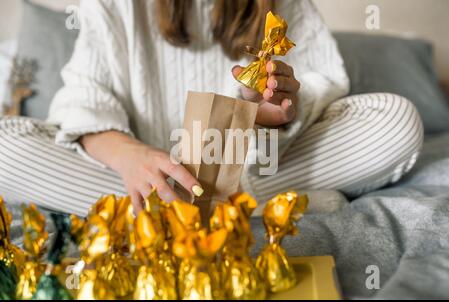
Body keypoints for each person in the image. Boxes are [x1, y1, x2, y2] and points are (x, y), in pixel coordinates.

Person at [0, 0, 423, 216]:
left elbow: (317, 85)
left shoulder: (281, 4)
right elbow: (83, 103)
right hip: (138, 176)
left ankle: (179, 210)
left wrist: (275, 111)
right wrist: (130, 156)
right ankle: (223, 205)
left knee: (396, 122)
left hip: (256, 166)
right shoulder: (113, 6)